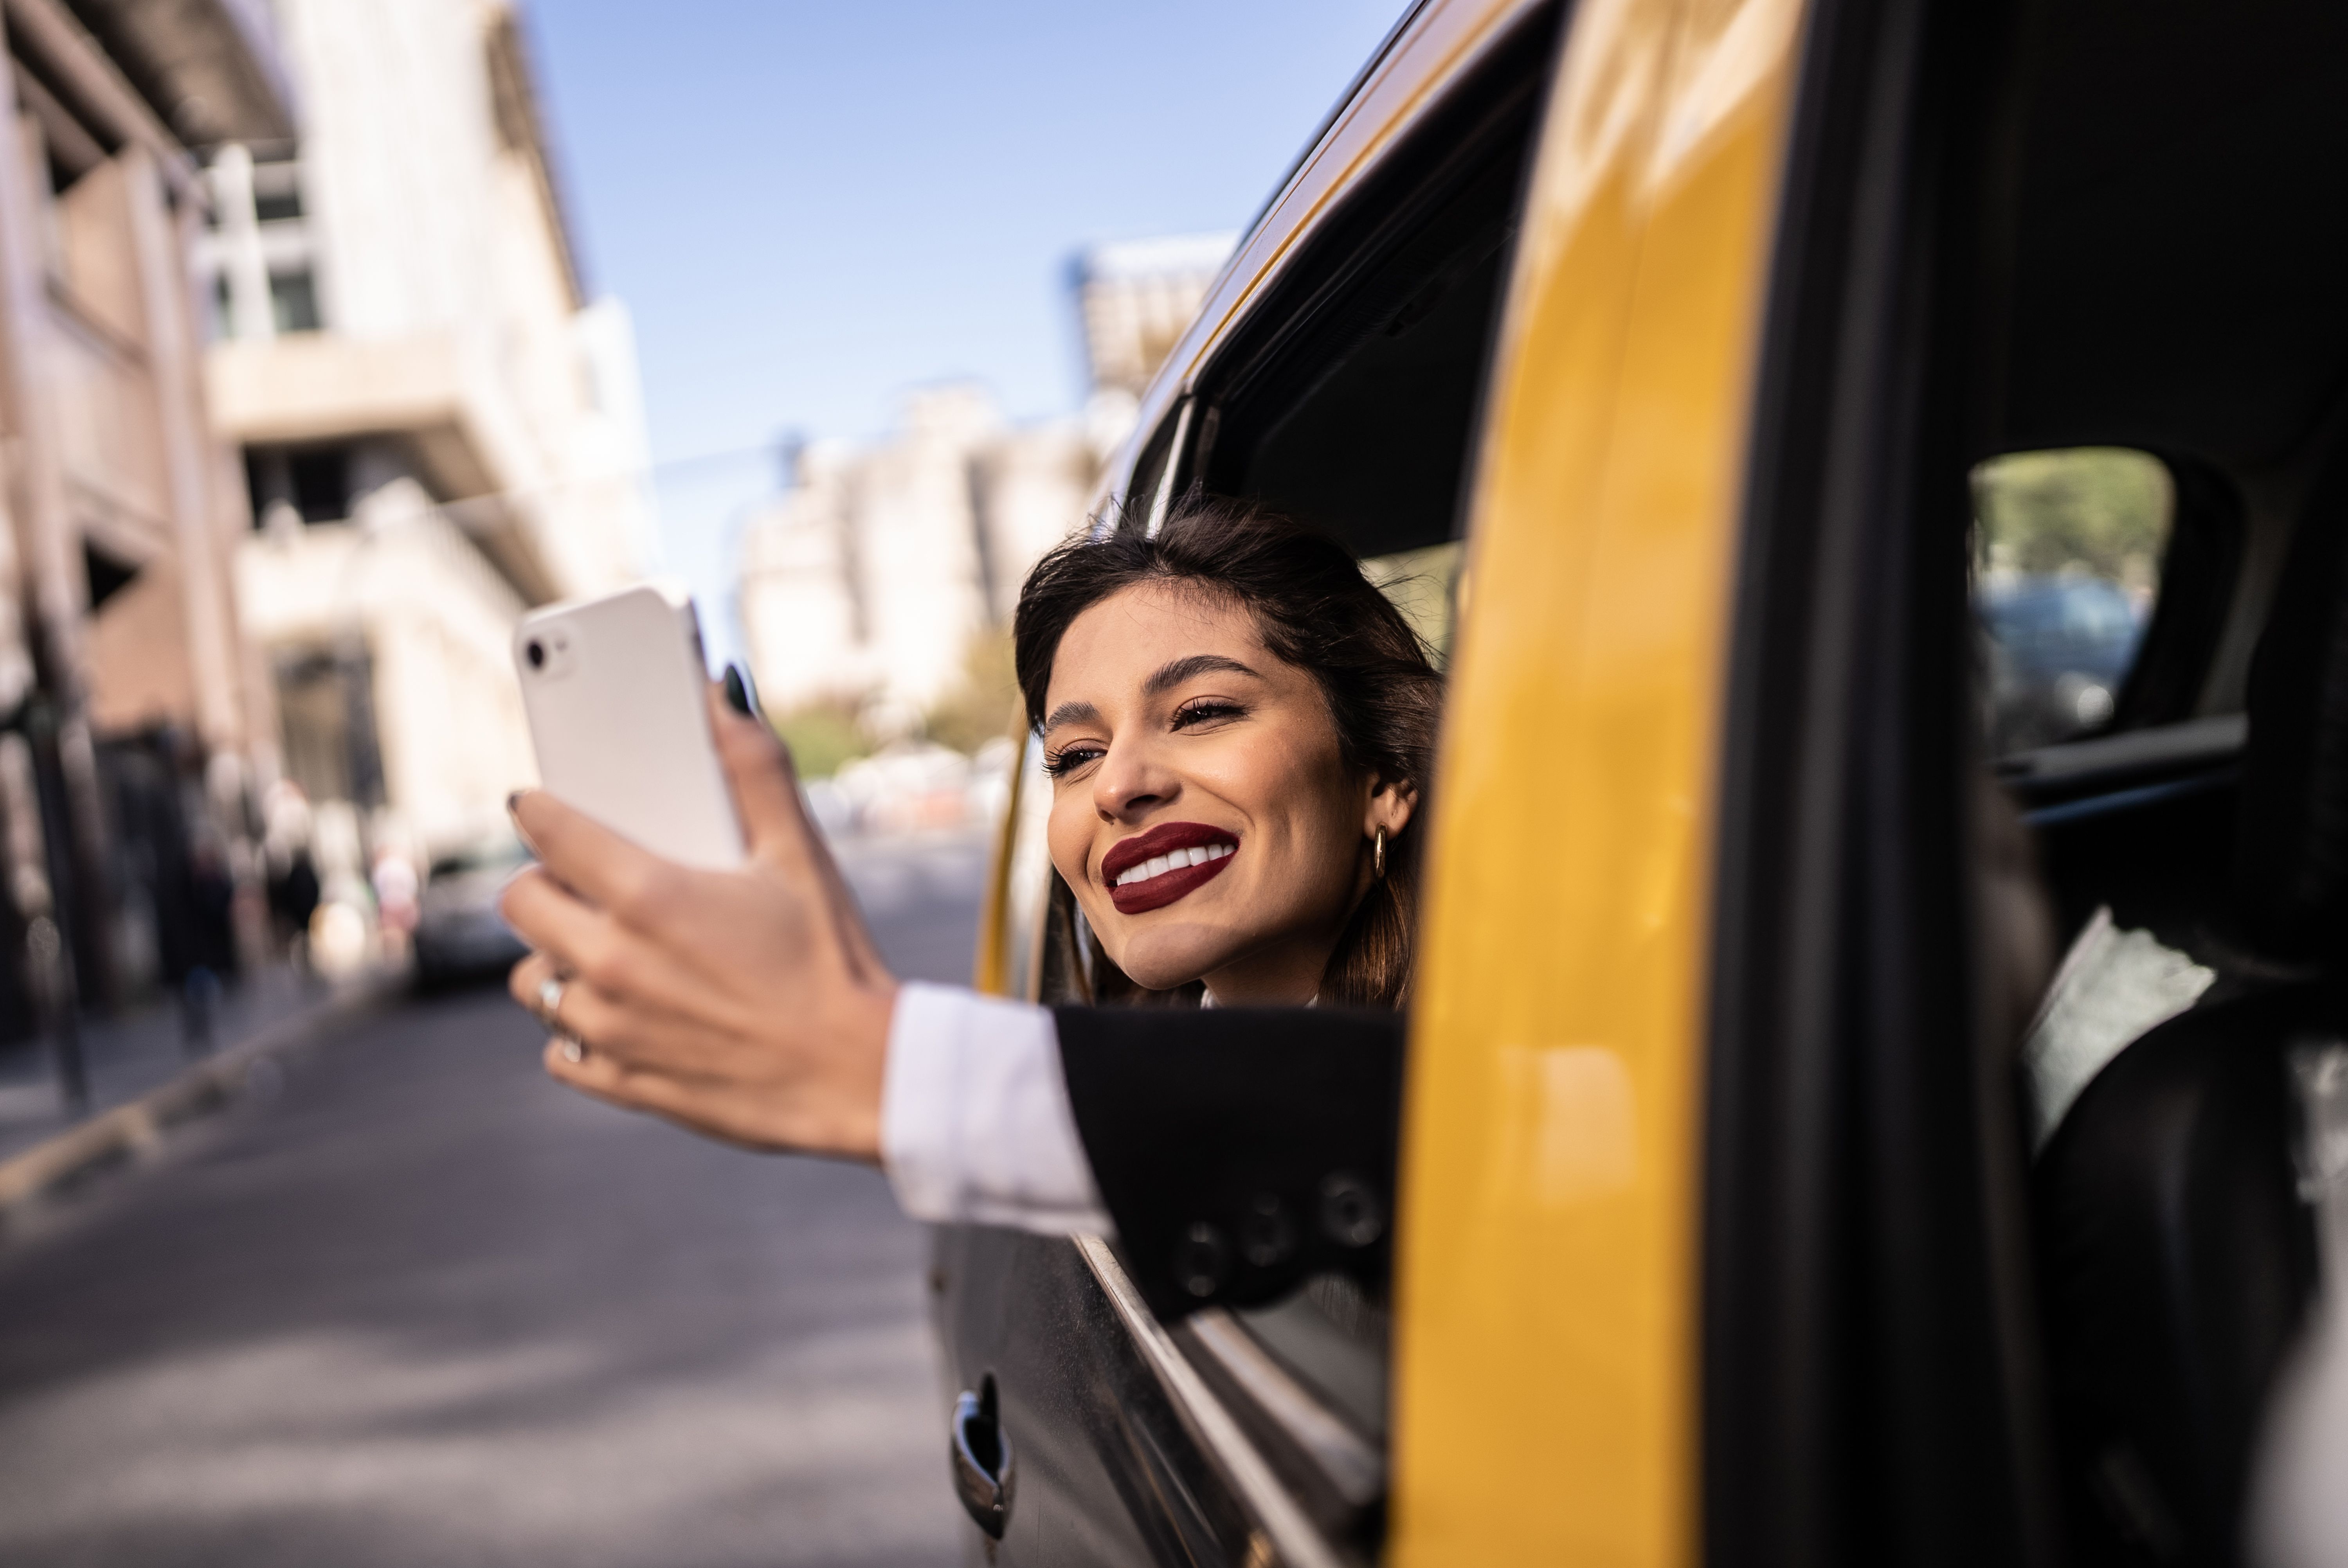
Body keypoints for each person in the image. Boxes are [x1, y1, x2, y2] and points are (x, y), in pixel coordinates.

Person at [501, 496, 1436, 1313]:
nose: (1118, 786)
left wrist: (879, 1063)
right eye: (1073, 757)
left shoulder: (1524, 1036)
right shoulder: (1096, 1067)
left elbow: (1469, 1133)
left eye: (1200, 713)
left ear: (1384, 774)